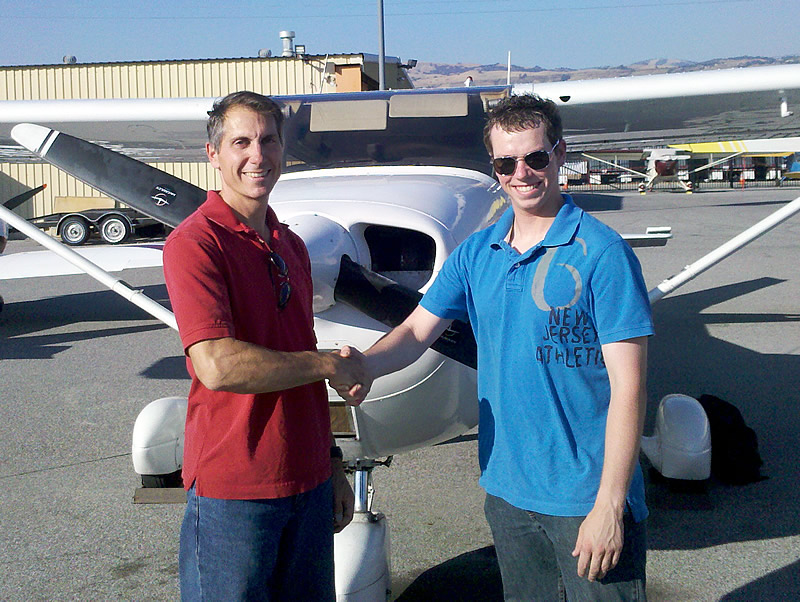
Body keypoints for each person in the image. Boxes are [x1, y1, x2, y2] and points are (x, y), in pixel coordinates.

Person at [338, 94, 653, 600]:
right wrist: (364, 364)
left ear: (560, 153)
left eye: (535, 158)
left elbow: (630, 387)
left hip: (585, 497)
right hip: (508, 492)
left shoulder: (603, 253)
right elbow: (417, 331)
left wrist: (610, 506)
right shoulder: (477, 253)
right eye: (506, 163)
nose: (522, 174)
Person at [162, 90, 367, 601]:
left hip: (309, 482)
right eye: (241, 142)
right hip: (237, 491)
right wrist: (328, 365)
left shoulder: (290, 245)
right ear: (214, 154)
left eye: (269, 140)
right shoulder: (194, 243)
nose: (258, 155)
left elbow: (297, 351)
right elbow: (218, 366)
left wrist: (333, 462)